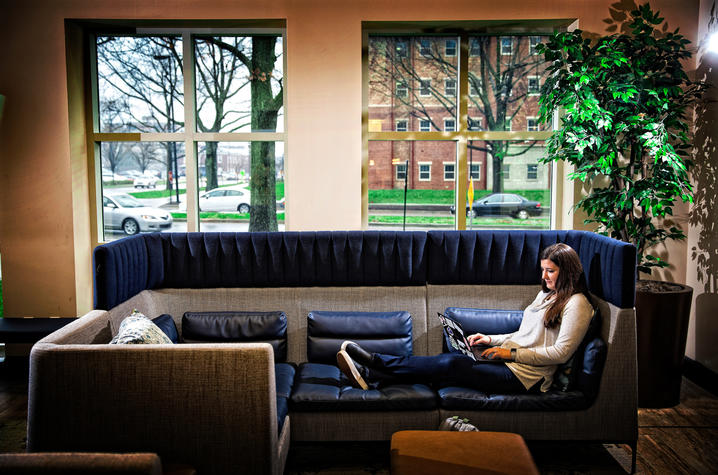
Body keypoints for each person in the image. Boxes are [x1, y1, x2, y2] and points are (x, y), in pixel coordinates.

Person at [336, 243, 595, 394]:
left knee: (452, 365)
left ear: (568, 271)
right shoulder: (546, 296)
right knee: (448, 363)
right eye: (543, 271)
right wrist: (490, 338)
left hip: (528, 378)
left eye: (550, 271)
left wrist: (511, 355)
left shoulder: (577, 304)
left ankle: (374, 363)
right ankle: (373, 376)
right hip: (510, 364)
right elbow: (524, 334)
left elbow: (561, 353)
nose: (545, 277)